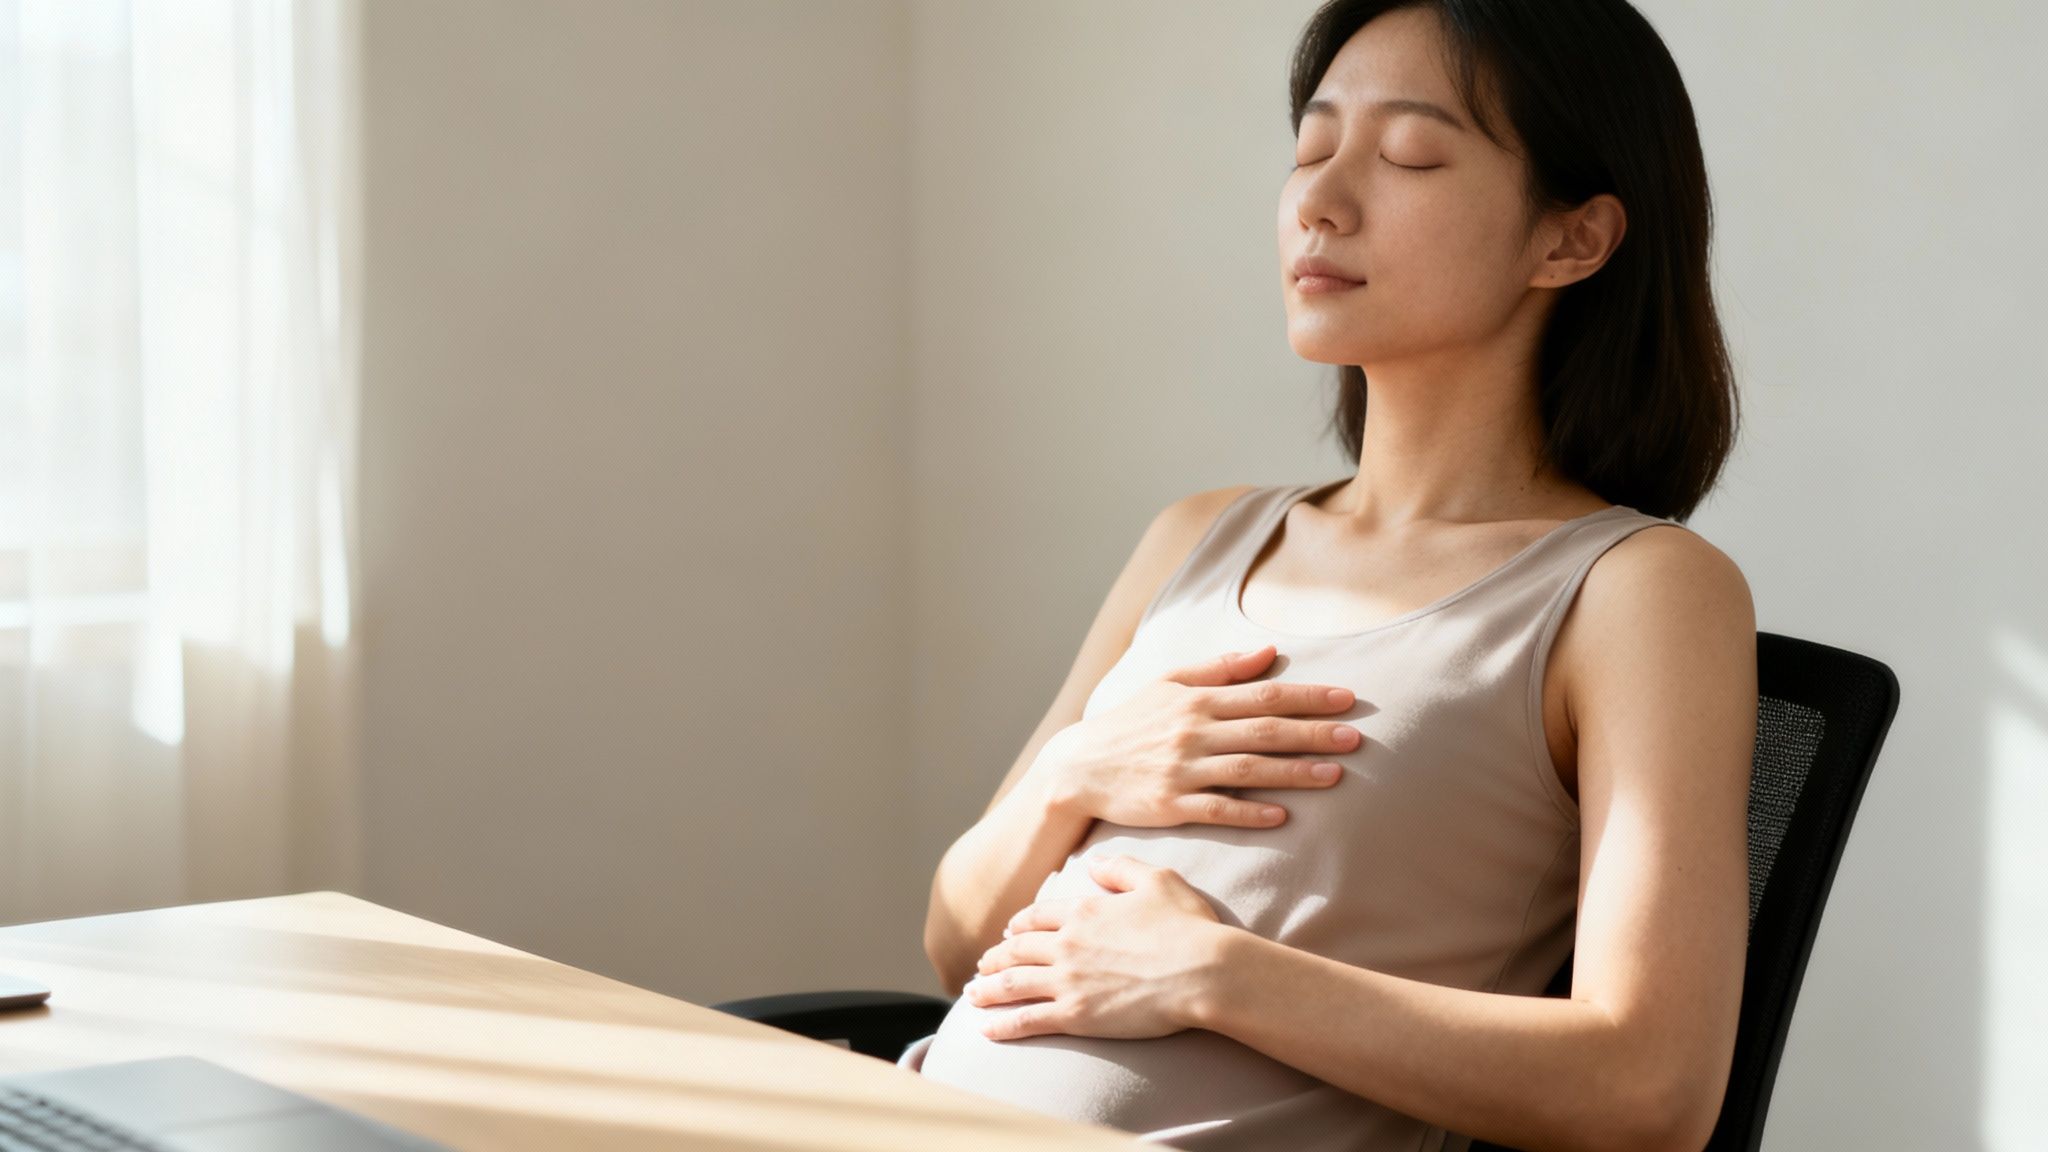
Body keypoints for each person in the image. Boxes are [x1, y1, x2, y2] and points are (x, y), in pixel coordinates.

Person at [911, 2, 1755, 1150]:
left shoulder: (1635, 590)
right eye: (1310, 149)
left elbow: (1648, 1089)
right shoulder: (1198, 538)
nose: (1319, 200)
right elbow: (956, 944)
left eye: (1407, 156)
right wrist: (1075, 775)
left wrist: (1209, 972)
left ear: (1570, 240)